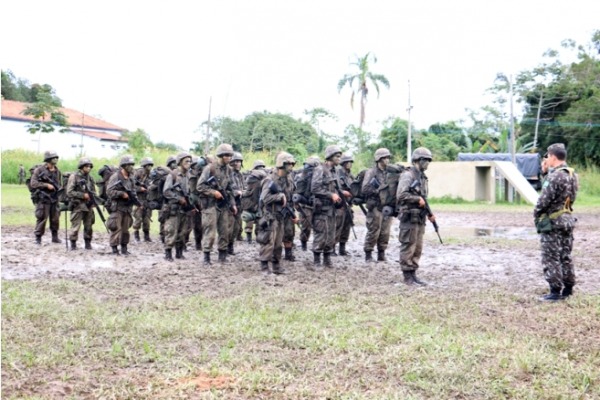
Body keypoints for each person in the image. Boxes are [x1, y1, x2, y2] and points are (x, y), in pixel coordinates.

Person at [534, 143, 579, 301]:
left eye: (547, 156)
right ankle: (568, 289)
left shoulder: (554, 176)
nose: (546, 159)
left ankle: (554, 292)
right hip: (567, 219)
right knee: (565, 255)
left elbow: (543, 201)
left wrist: (537, 215)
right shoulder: (572, 174)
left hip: (553, 222)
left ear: (553, 157)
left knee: (551, 256)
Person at [396, 147, 435, 285]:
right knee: (408, 245)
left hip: (419, 217)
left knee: (417, 247)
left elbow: (424, 197)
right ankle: (407, 276)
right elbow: (401, 195)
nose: (427, 163)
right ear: (419, 160)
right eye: (426, 160)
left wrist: (430, 214)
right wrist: (416, 199)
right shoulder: (408, 175)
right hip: (408, 216)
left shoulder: (422, 177)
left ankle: (413, 274)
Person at [196, 143, 238, 265]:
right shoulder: (210, 168)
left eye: (230, 155)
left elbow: (230, 188)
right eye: (227, 155)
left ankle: (222, 255)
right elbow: (200, 186)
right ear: (221, 155)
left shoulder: (229, 170)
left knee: (225, 231)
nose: (229, 158)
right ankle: (206, 257)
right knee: (210, 232)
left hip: (223, 205)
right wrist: (213, 192)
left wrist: (233, 204)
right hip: (210, 205)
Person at [257, 152, 297, 274]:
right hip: (270, 215)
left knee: (279, 242)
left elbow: (289, 198)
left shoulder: (288, 179)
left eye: (292, 163)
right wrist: (279, 196)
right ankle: (264, 267)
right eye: (288, 164)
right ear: (282, 164)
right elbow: (264, 199)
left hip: (281, 216)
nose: (291, 166)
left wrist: (293, 213)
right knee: (268, 241)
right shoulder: (270, 180)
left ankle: (276, 265)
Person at [310, 145, 347, 269]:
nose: (339, 159)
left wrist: (341, 192)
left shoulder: (334, 171)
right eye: (337, 156)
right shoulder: (320, 169)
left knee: (331, 234)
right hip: (322, 208)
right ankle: (316, 261)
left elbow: (335, 186)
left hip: (332, 209)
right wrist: (331, 195)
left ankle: (327, 259)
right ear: (330, 156)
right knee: (321, 234)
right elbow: (315, 188)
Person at [361, 148, 394, 263]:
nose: (387, 160)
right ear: (379, 159)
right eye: (385, 158)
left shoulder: (390, 172)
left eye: (388, 157)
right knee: (374, 230)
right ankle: (368, 254)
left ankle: (381, 254)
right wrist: (379, 191)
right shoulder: (371, 172)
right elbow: (365, 189)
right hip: (375, 205)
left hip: (387, 207)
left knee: (385, 231)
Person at [162, 152, 193, 261]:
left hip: (184, 209)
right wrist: (178, 198)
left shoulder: (189, 176)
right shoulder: (173, 175)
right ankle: (168, 253)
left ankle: (179, 253)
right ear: (180, 162)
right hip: (174, 208)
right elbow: (166, 191)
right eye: (186, 161)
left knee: (183, 231)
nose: (188, 163)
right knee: (171, 231)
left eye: (190, 161)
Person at [106, 155, 138, 255]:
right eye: (129, 165)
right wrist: (121, 194)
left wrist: (135, 200)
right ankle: (114, 249)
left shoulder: (131, 178)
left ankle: (124, 248)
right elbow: (109, 191)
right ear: (124, 166)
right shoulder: (115, 177)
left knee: (125, 229)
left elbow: (133, 190)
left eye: (132, 165)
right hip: (117, 207)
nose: (131, 167)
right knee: (116, 228)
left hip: (127, 207)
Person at [30, 150, 63, 244]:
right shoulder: (39, 170)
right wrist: (46, 185)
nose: (56, 159)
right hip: (43, 199)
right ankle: (38, 238)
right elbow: (33, 183)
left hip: (54, 198)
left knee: (55, 219)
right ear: (48, 159)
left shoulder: (57, 171)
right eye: (54, 158)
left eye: (56, 157)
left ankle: (55, 237)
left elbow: (59, 184)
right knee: (42, 218)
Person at [66, 157, 97, 250]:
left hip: (88, 206)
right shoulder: (74, 176)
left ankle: (88, 243)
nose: (89, 168)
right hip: (78, 205)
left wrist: (93, 200)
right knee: (75, 226)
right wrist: (82, 195)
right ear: (82, 167)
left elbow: (93, 191)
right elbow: (69, 192)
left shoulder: (90, 178)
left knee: (89, 226)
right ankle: (73, 243)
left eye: (90, 166)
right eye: (87, 166)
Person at [294, 156, 320, 252]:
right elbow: (297, 192)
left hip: (316, 204)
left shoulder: (318, 177)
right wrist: (296, 204)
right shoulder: (302, 177)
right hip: (305, 205)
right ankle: (303, 243)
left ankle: (316, 245)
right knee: (306, 227)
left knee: (318, 226)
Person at [334, 154, 355, 256]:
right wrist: (342, 192)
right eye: (347, 162)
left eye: (351, 162)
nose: (349, 164)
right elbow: (333, 188)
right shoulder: (337, 173)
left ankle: (342, 248)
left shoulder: (350, 175)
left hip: (348, 205)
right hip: (339, 205)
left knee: (346, 227)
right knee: (337, 227)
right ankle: (332, 248)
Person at [132, 157, 154, 242]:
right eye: (147, 166)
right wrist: (140, 189)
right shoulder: (138, 173)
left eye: (150, 165)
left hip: (148, 199)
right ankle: (136, 235)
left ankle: (146, 236)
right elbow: (131, 186)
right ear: (144, 166)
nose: (149, 167)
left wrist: (150, 188)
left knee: (147, 219)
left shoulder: (151, 175)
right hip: (139, 199)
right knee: (138, 218)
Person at [229, 152, 246, 252]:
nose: (238, 163)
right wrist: (237, 192)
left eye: (239, 161)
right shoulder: (229, 174)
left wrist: (244, 192)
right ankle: (226, 247)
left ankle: (231, 246)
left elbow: (244, 187)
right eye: (236, 161)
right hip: (230, 204)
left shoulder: (240, 175)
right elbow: (228, 188)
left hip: (239, 204)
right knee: (229, 227)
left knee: (237, 227)